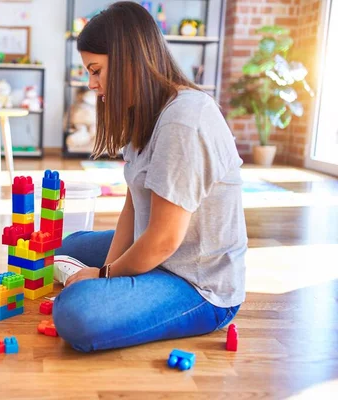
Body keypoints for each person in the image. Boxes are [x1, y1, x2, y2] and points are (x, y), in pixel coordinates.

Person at [52, 1, 247, 353]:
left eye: (96, 71)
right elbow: (133, 204)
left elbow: (163, 240)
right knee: (66, 248)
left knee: (76, 313)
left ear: (128, 61)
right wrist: (109, 271)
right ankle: (118, 283)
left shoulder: (184, 121)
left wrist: (103, 278)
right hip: (159, 250)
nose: (92, 84)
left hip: (195, 282)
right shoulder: (143, 110)